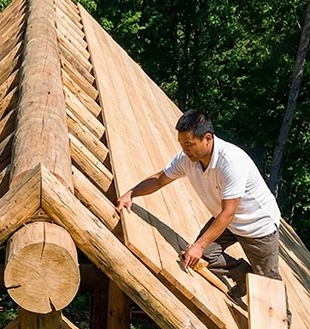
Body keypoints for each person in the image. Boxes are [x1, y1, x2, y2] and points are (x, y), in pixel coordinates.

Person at [114, 109, 283, 301]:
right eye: (181, 144)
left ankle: (282, 325)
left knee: (270, 288)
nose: (185, 150)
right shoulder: (186, 159)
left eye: (189, 144)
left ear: (208, 139)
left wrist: (200, 245)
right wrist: (131, 193)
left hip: (257, 227)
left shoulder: (231, 162)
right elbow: (159, 179)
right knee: (201, 257)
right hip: (226, 220)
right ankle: (244, 276)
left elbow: (229, 212)